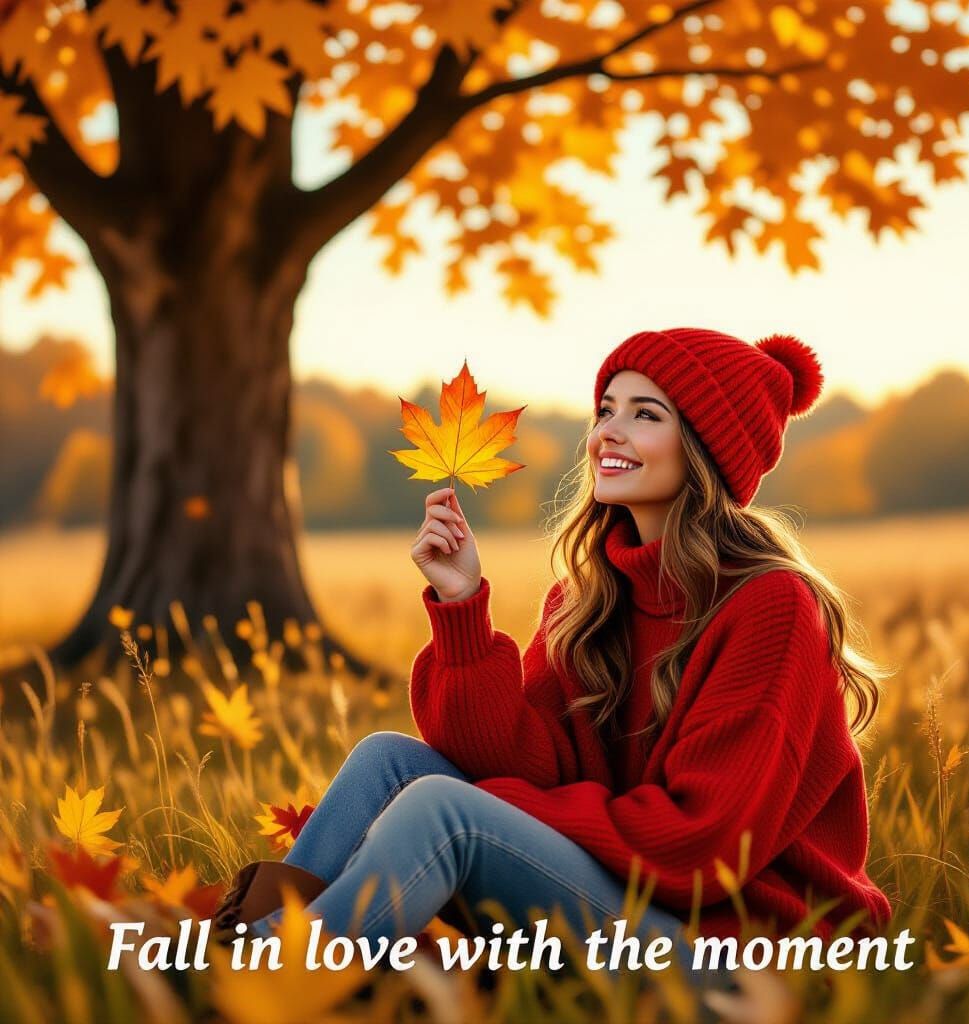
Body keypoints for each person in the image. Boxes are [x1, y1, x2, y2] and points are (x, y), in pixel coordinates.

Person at [213, 327, 893, 1002]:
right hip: (627, 906)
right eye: (606, 410)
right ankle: (244, 946)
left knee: (445, 810)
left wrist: (494, 807)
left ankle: (253, 985)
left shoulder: (770, 607)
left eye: (645, 415)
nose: (608, 433)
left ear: (708, 452)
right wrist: (461, 609)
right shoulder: (589, 597)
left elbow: (697, 848)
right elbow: (519, 762)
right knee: (387, 762)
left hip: (744, 958)